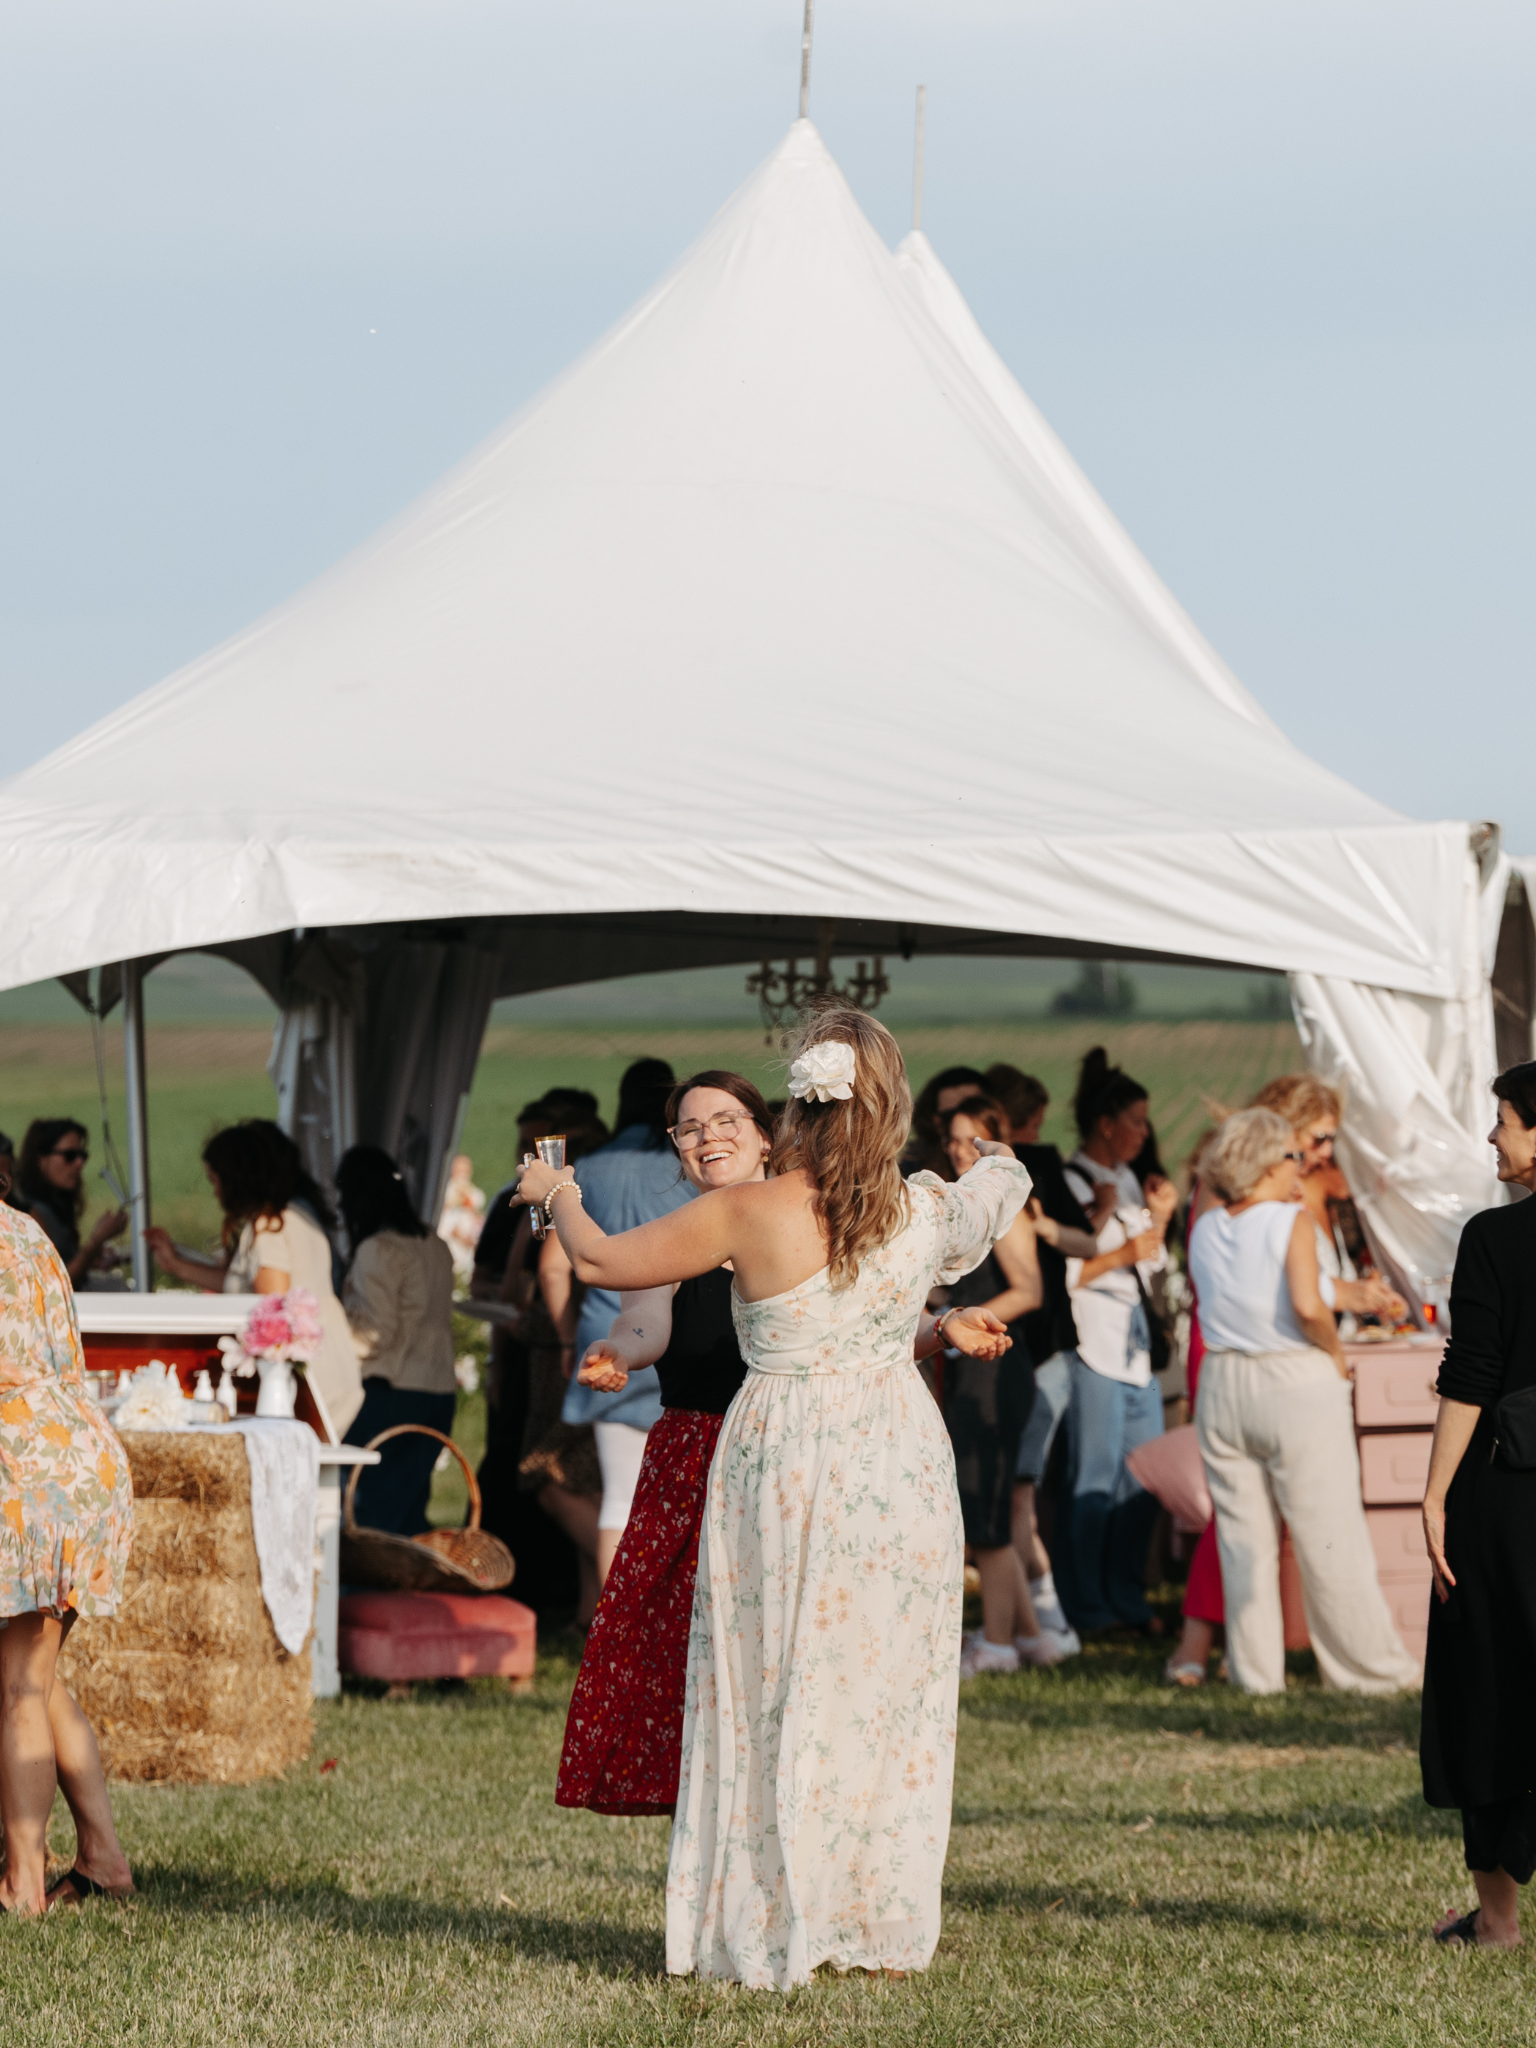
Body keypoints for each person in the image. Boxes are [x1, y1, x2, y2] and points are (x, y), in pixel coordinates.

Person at [516, 1003, 1033, 1987]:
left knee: (771, 1681)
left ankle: (768, 1911)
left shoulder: (750, 1211)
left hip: (790, 1455)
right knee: (883, 1689)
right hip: (898, 1461)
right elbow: (990, 1201)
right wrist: (1002, 1160)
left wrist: (556, 1189)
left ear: (791, 1112)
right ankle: (867, 1913)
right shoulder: (921, 1207)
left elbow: (597, 1259)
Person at [1166, 1080, 1406, 1687]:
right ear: (1272, 1163)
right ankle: (1366, 1669)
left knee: (1245, 1543)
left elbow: (1250, 1296)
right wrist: (1335, 1356)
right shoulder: (1292, 1221)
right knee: (1330, 1534)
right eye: (1294, 1156)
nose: (1303, 1165)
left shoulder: (1206, 1225)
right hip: (1291, 1381)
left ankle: (1256, 1672)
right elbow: (1305, 1304)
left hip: (1223, 1381)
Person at [1421, 1061, 1536, 1948]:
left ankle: (1497, 1920)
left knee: (1491, 1687)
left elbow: (1471, 1376)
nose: (1493, 1135)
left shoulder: (1496, 1238)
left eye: (1503, 1120)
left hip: (1507, 1492)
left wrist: (1431, 1496)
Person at [0, 1182, 135, 1915]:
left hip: (27, 1470)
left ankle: (22, 1885)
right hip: (82, 1454)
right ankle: (103, 1859)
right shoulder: (29, 1232)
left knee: (19, 1687)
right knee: (39, 1678)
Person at [539, 1059, 692, 1589]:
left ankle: (610, 1623)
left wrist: (566, 1336)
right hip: (677, 1340)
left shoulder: (587, 1170)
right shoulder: (687, 1168)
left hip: (606, 1338)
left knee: (620, 1496)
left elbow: (553, 1267)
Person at [939, 1095, 1076, 1672]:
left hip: (996, 1369)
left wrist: (957, 1319)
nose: (955, 1150)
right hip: (973, 1363)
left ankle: (996, 1645)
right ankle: (1030, 1636)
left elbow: (1029, 1291)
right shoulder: (958, 1202)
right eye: (949, 1139)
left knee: (989, 1516)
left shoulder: (1009, 1210)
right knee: (990, 1509)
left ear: (996, 1144)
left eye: (969, 1140)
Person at [1056, 1048, 1176, 1634]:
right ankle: (1085, 1604)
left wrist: (1160, 1219)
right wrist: (1128, 1250)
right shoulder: (1073, 1182)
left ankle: (1127, 1596)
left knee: (1144, 1479)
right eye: (1136, 1120)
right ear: (1106, 1124)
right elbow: (1072, 1274)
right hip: (1095, 1346)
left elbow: (1148, 1267)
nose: (1144, 1133)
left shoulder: (1129, 1181)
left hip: (1135, 1351)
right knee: (1095, 1480)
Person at [144, 1120, 363, 1437]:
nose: (215, 1191)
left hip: (308, 1383)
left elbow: (270, 1314)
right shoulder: (294, 1218)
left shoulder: (268, 1229)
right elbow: (242, 1283)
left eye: (214, 1180)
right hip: (334, 1366)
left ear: (234, 1180)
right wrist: (176, 1265)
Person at [984, 1064, 1093, 1642]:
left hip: (1043, 1348)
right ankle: (1037, 1621)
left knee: (1019, 1495)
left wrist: (1042, 1225)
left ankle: (1044, 1619)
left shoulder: (1042, 1166)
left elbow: (1088, 1240)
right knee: (1010, 1496)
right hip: (994, 1355)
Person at [336, 1145, 458, 1535]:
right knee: (408, 1513)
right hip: (438, 1389)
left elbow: (376, 1333)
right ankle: (406, 1594)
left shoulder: (378, 1248)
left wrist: (326, 1344)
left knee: (371, 1520)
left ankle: (362, 1596)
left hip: (391, 1390)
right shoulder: (433, 1242)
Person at [12, 1118, 126, 1286]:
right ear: (41, 1160)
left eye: (83, 1155)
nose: (79, 1163)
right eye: (70, 1156)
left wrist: (91, 1259)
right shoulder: (30, 1213)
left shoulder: (56, 1205)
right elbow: (55, 1284)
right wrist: (96, 1241)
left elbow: (65, 1265)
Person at [902, 1064, 988, 1177]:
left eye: (973, 1110)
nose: (959, 1121)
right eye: (949, 1116)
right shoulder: (916, 1176)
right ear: (936, 1121)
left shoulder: (1014, 1173)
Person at [437, 1152, 486, 1283]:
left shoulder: (472, 1191)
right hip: (451, 1240)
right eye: (459, 1170)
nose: (462, 1175)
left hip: (466, 1245)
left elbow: (476, 1205)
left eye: (466, 1171)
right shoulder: (446, 1190)